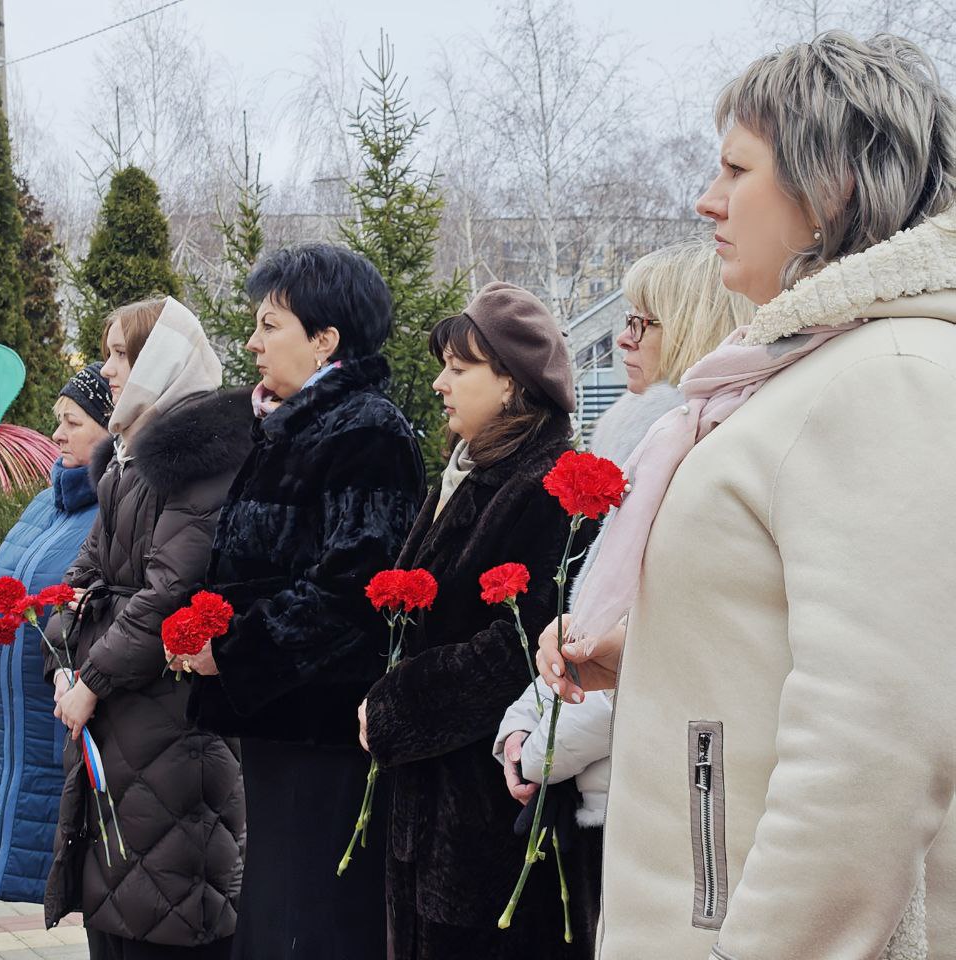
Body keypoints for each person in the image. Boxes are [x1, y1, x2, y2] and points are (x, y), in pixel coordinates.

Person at [539, 32, 956, 958]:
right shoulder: (802, 376)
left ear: (832, 186)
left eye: (737, 168)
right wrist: (653, 656)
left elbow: (875, 744)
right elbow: (791, 637)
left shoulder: (886, 378)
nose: (706, 199)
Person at [183, 243, 427, 960]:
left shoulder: (365, 428)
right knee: (277, 909)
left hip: (324, 722)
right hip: (281, 716)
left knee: (310, 918)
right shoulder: (292, 424)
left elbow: (354, 588)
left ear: (327, 340)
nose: (253, 343)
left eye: (271, 326)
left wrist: (230, 648)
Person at [356, 282, 597, 959]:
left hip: (490, 808)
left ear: (515, 385)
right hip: (434, 803)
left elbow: (525, 642)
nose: (440, 383)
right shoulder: (465, 471)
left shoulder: (549, 483)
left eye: (460, 369)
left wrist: (399, 703)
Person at [494, 238, 752, 833]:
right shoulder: (645, 452)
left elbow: (655, 644)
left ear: (695, 324)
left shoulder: (689, 462)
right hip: (611, 786)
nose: (623, 339)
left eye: (644, 322)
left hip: (651, 801)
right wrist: (520, 723)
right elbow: (590, 634)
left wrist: (535, 749)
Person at [43, 296, 253, 960]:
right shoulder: (130, 454)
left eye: (120, 353)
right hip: (124, 714)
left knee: (166, 907)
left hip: (172, 717)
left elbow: (171, 590)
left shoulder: (201, 455)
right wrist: (62, 654)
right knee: (118, 903)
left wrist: (93, 678)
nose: (106, 369)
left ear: (160, 359)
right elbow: (82, 572)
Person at [0, 363, 113, 903]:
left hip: (69, 727)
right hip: (21, 734)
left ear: (111, 428)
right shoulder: (47, 500)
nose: (57, 435)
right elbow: (3, 590)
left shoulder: (114, 507)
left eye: (72, 422)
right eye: (57, 421)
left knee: (89, 880)